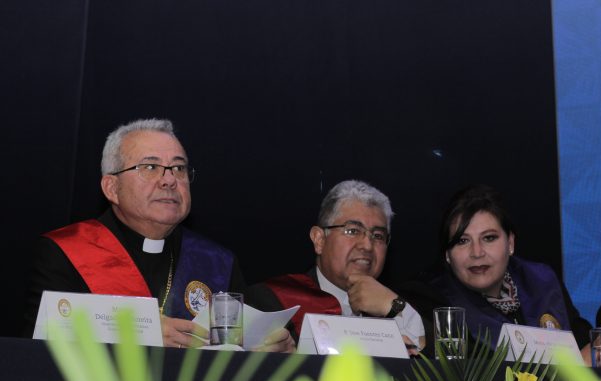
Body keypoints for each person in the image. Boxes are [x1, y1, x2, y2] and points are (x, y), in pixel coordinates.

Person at [24, 118, 293, 352]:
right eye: (150, 167)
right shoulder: (66, 252)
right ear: (112, 188)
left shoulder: (217, 262)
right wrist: (143, 334)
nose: (169, 180)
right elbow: (41, 349)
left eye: (179, 168)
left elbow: (238, 353)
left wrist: (272, 350)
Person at [399, 184, 601, 366]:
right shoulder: (430, 298)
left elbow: (583, 339)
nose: (477, 253)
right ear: (447, 255)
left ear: (510, 243)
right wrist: (579, 365)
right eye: (462, 241)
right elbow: (470, 369)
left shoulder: (541, 282)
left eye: (489, 238)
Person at [249, 180, 426, 355]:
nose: (367, 245)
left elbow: (434, 365)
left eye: (378, 235)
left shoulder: (402, 307)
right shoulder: (272, 303)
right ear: (319, 240)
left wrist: (394, 307)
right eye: (352, 231)